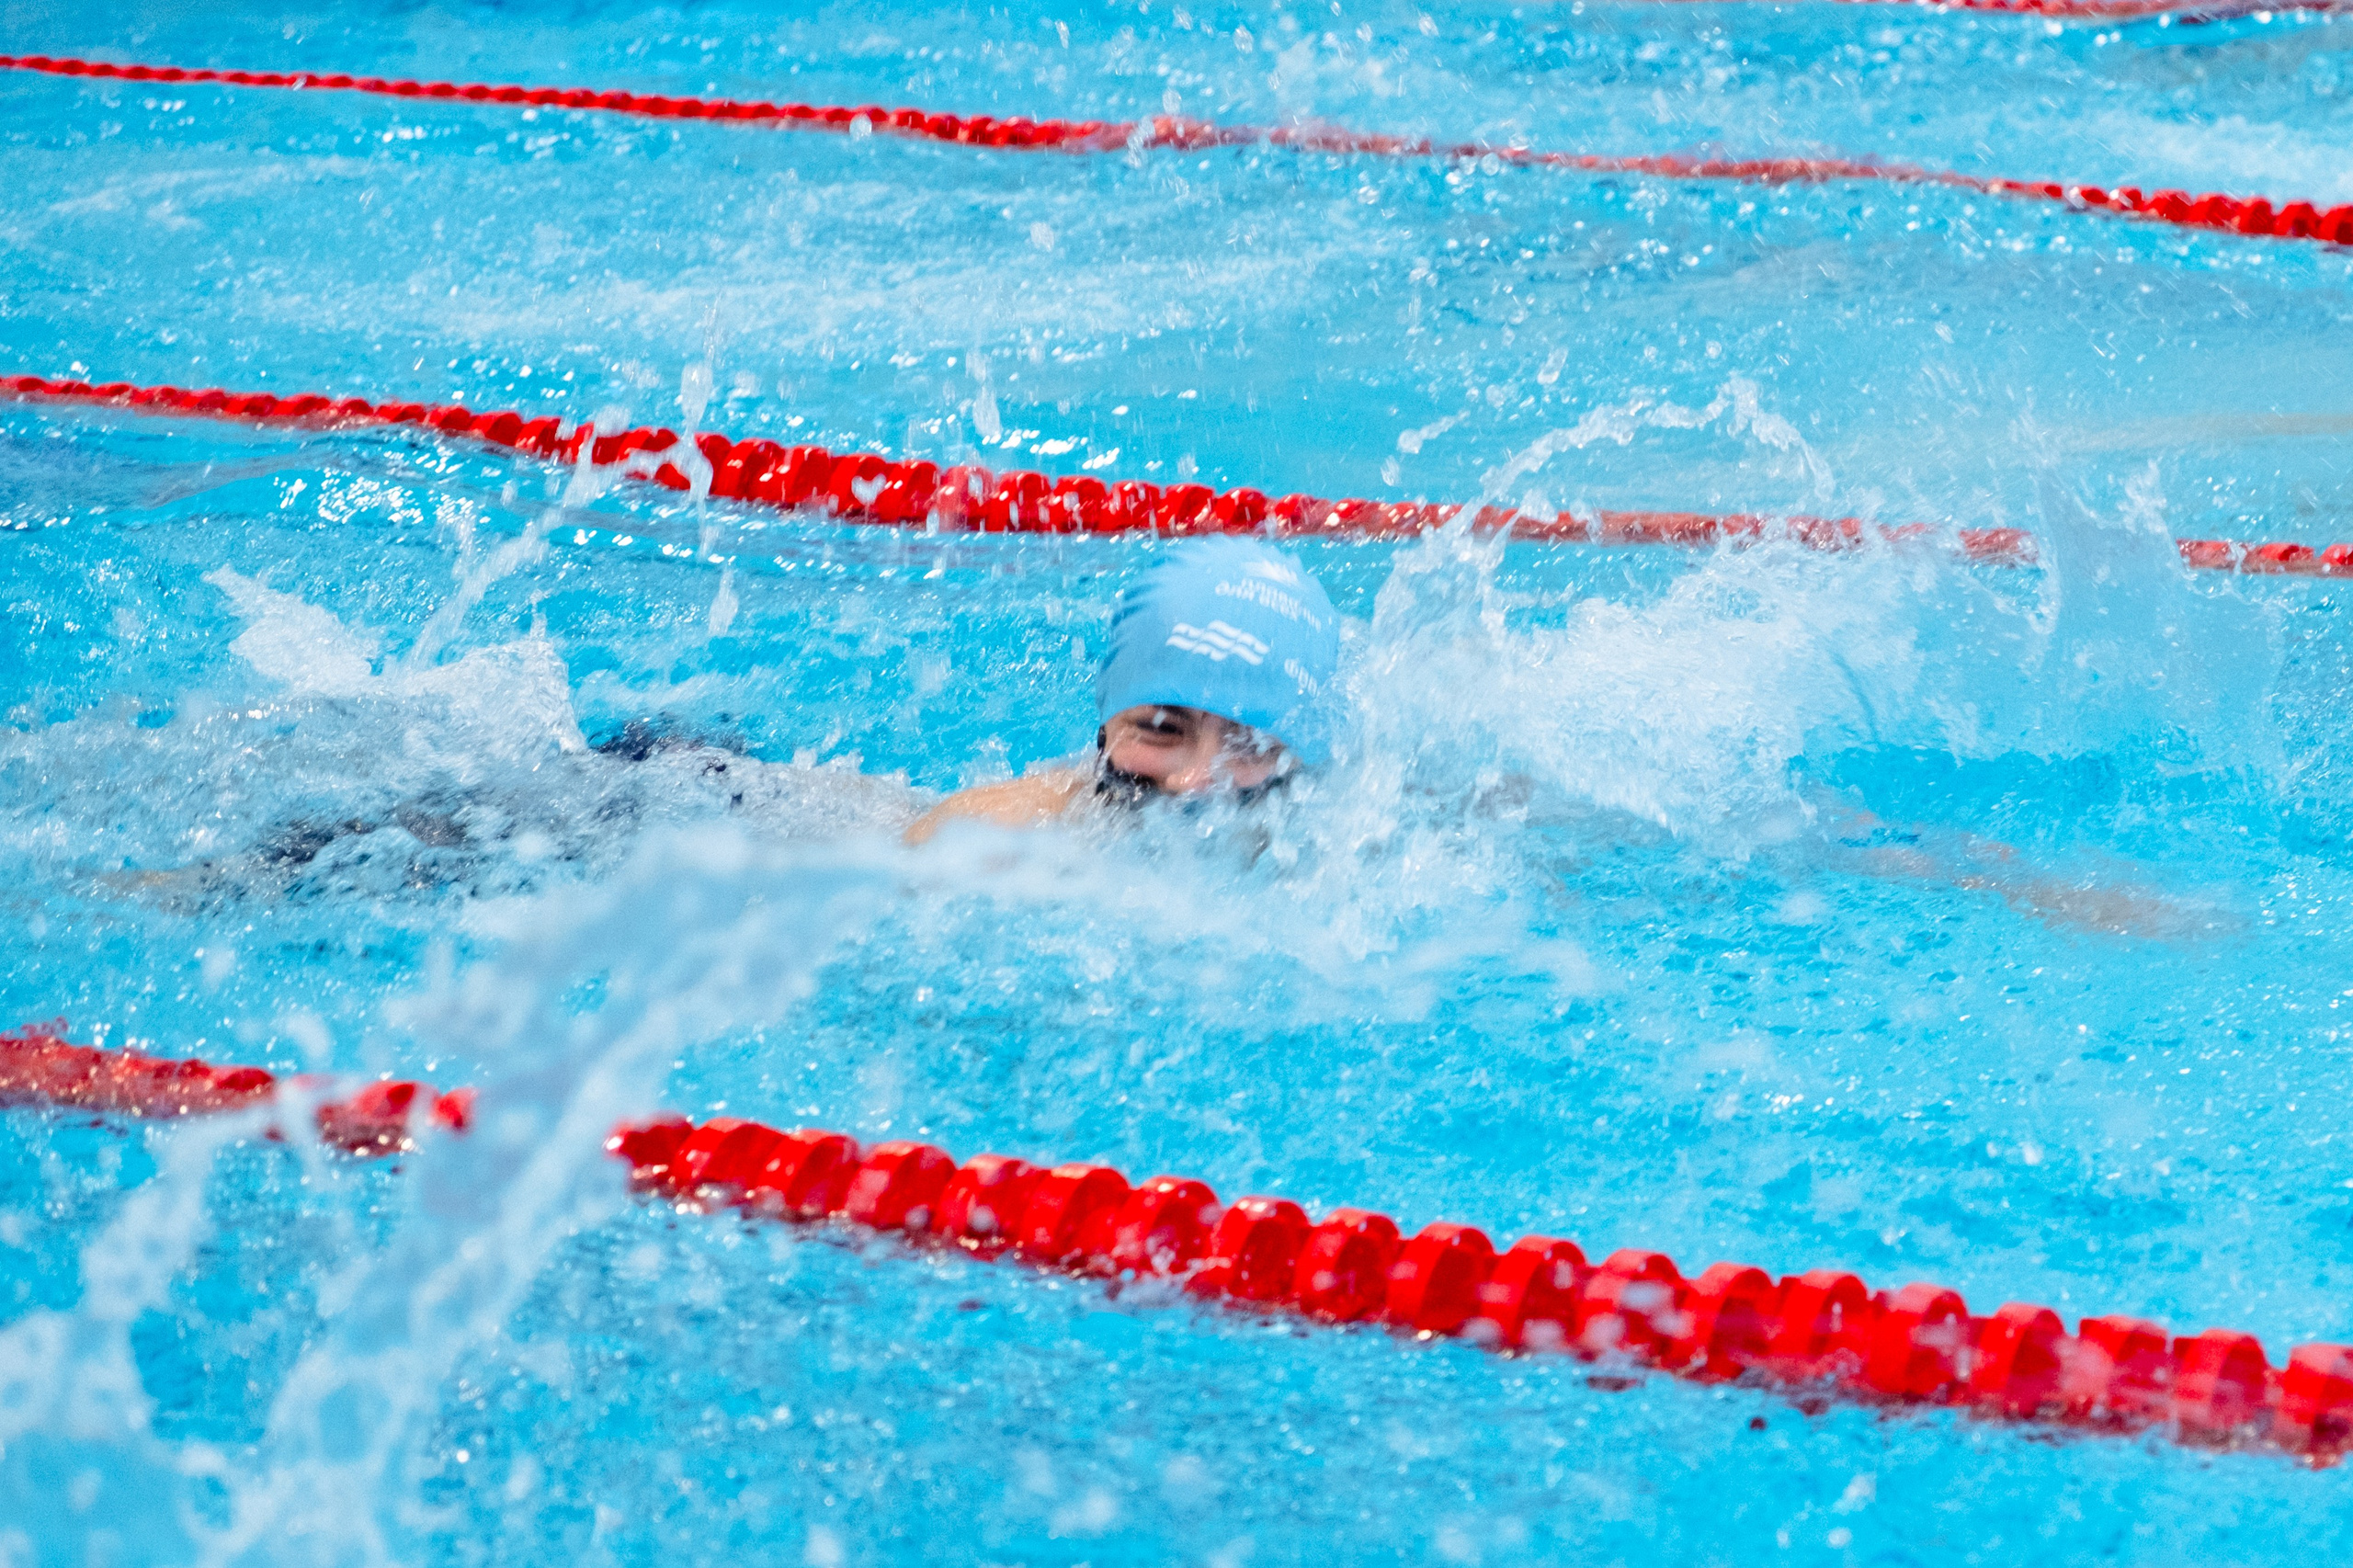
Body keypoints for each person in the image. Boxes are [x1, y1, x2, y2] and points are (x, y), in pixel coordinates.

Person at [905, 537, 1341, 844]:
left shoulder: (1347, 855)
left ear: (1297, 756)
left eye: (1249, 742)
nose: (1195, 782)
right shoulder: (984, 840)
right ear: (1108, 723)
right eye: (1163, 728)